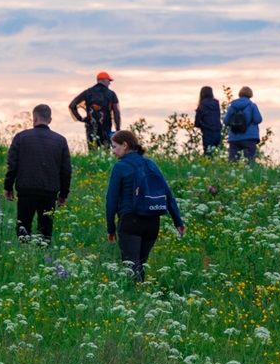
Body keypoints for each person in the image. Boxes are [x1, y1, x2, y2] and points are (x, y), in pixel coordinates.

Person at [104, 130, 186, 282]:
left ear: (125, 145)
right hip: (152, 221)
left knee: (131, 268)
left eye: (115, 147)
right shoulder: (150, 164)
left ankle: (134, 300)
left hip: (130, 221)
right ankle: (142, 297)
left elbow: (111, 200)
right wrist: (178, 221)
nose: (113, 151)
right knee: (141, 264)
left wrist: (110, 228)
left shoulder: (120, 167)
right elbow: (167, 193)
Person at [4, 104, 73, 244]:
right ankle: (43, 259)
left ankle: (24, 256)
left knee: (23, 226)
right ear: (50, 119)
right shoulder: (60, 141)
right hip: (49, 191)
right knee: (45, 229)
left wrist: (8, 187)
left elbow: (12, 165)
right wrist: (63, 194)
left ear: (34, 118)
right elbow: (66, 170)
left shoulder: (21, 137)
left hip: (26, 189)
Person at [69, 71, 122, 149]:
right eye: (108, 81)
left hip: (91, 127)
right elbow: (116, 112)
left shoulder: (87, 92)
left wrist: (80, 118)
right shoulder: (111, 94)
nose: (109, 83)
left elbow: (72, 105)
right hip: (106, 127)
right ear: (103, 80)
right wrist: (118, 129)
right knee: (106, 151)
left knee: (92, 151)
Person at [222, 86, 263, 164]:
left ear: (240, 94)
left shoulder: (232, 106)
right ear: (250, 95)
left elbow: (226, 121)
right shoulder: (252, 106)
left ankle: (233, 176)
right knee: (250, 162)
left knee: (233, 162)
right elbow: (258, 119)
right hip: (249, 137)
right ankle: (249, 176)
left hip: (234, 137)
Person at [193, 86, 222, 155]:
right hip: (218, 131)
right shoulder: (216, 103)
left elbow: (197, 122)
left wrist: (202, 125)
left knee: (208, 154)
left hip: (207, 132)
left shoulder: (202, 105)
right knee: (215, 153)